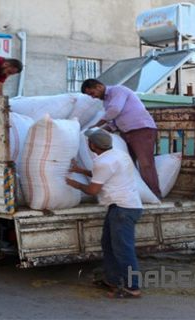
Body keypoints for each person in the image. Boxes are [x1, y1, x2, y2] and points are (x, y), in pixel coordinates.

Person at [66, 128, 143, 298]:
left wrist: (74, 184)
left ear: (92, 145)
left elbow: (93, 190)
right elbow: (104, 174)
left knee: (123, 250)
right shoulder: (119, 154)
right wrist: (80, 171)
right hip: (122, 207)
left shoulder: (103, 163)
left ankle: (133, 287)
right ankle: (112, 280)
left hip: (123, 209)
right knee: (108, 245)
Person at [80, 79, 161, 198]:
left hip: (141, 129)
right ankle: (135, 193)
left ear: (99, 86)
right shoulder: (106, 102)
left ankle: (154, 194)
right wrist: (97, 132)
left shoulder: (118, 91)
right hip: (126, 132)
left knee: (145, 164)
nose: (93, 97)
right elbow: (114, 122)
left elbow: (115, 110)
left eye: (92, 93)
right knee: (129, 164)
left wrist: (97, 125)